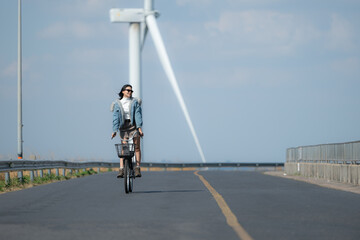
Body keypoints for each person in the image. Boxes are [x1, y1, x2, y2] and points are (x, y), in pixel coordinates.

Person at [111, 84, 144, 178]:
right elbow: (115, 117)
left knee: (137, 146)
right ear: (123, 91)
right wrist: (114, 130)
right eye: (128, 90)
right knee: (124, 148)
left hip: (133, 125)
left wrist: (139, 128)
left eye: (131, 91)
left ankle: (137, 167)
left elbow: (138, 115)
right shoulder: (117, 103)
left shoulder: (135, 102)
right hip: (123, 126)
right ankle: (121, 169)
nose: (130, 92)